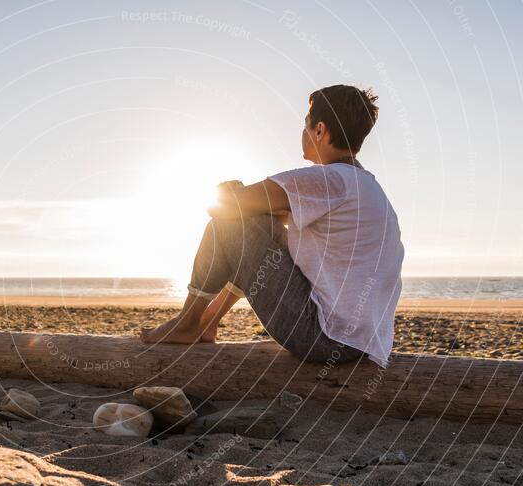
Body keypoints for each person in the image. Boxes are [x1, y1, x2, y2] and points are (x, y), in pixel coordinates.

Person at [140, 84, 404, 368]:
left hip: (323, 338)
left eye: (306, 123)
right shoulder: (366, 187)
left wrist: (231, 192)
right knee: (256, 227)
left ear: (320, 131)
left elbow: (221, 208)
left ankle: (188, 322)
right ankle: (207, 322)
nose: (303, 131)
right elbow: (262, 236)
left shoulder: (326, 180)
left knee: (231, 224)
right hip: (361, 342)